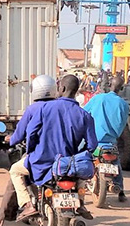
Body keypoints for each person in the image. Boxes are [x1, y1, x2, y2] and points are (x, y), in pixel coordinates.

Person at [0, 74, 56, 226]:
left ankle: (13, 214)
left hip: (39, 158)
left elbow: (20, 133)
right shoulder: (60, 107)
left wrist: (11, 139)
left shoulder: (33, 109)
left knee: (15, 173)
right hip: (62, 159)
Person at [22, 75, 98, 218]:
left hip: (43, 163)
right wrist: (79, 155)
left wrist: (32, 150)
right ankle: (80, 203)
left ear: (62, 88)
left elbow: (31, 133)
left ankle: (31, 204)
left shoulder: (45, 108)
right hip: (69, 163)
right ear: (76, 91)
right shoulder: (84, 115)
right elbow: (92, 145)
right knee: (80, 174)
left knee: (19, 170)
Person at [83, 74, 130, 201]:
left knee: (83, 157)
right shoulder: (124, 105)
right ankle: (121, 191)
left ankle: (80, 185)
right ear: (121, 88)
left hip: (94, 141)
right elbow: (123, 123)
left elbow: (84, 113)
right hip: (111, 142)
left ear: (109, 85)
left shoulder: (98, 98)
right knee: (116, 163)